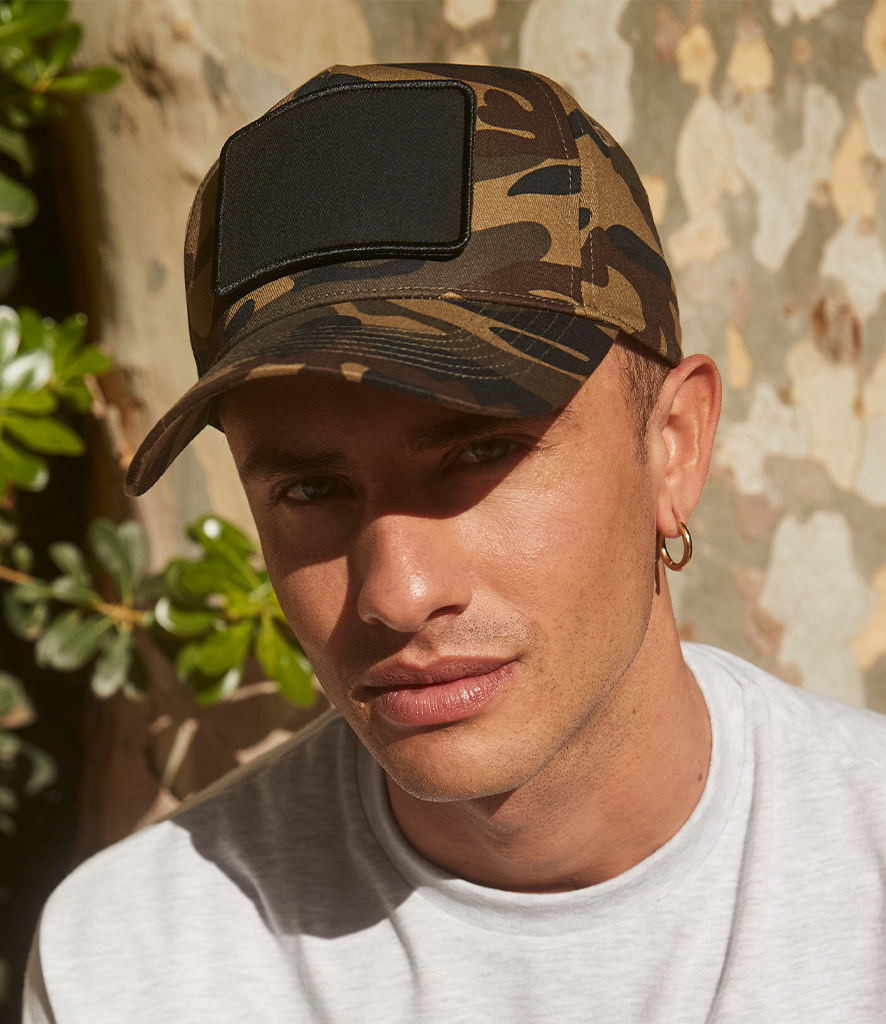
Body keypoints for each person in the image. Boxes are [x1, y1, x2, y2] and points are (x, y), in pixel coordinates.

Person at [23, 63, 886, 1023]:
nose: (397, 591)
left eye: (482, 453)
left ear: (673, 446)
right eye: (310, 489)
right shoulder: (129, 964)